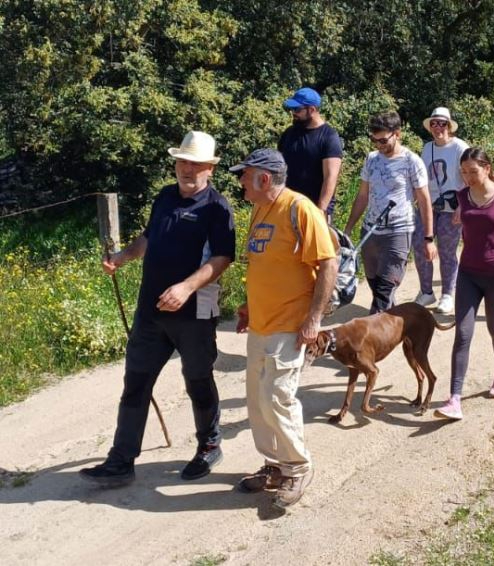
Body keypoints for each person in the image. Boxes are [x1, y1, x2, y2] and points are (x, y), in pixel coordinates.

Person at [79, 131, 236, 487]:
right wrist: (123, 257)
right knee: (135, 381)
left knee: (197, 379)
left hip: (194, 313)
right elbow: (149, 237)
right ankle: (121, 461)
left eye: (196, 163)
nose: (187, 169)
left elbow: (224, 257)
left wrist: (186, 287)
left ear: (210, 168)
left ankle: (209, 445)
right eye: (182, 161)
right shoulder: (165, 196)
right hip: (151, 312)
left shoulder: (217, 207)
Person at [231, 149, 337, 509]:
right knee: (258, 403)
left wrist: (313, 320)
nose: (240, 181)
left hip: (290, 325)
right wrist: (249, 305)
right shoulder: (259, 209)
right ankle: (274, 465)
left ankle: (298, 467)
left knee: (277, 396)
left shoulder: (299, 208)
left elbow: (327, 264)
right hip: (261, 323)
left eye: (244, 175)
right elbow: (264, 263)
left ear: (263, 178)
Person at [434, 148, 494, 420]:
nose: (467, 177)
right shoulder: (462, 195)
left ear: (487, 168)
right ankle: (454, 399)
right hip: (468, 273)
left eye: (473, 171)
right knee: (462, 333)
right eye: (464, 172)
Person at [345, 111, 437, 314]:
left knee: (385, 290)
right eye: (374, 140)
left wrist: (428, 239)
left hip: (398, 232)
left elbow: (424, 200)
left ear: (397, 134)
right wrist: (348, 229)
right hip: (370, 232)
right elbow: (362, 196)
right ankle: (392, 323)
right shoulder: (371, 159)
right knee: (375, 284)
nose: (379, 145)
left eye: (383, 140)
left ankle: (373, 339)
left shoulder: (411, 161)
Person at [412, 107, 469, 314]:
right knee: (419, 244)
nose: (438, 127)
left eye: (442, 123)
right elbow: (420, 177)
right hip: (429, 205)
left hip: (451, 206)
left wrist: (463, 206)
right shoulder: (427, 148)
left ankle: (447, 294)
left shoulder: (460, 148)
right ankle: (426, 291)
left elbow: (469, 177)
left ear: (449, 126)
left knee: (446, 250)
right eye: (434, 123)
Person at [278, 87, 344, 221]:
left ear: (312, 110)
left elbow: (330, 177)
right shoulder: (289, 134)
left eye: (297, 110)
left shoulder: (329, 137)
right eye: (292, 109)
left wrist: (321, 210)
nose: (293, 113)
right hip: (287, 207)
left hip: (315, 209)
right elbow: (278, 168)